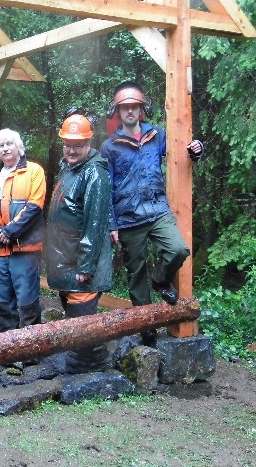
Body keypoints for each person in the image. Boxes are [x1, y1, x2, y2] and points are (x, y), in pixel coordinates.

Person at [100, 82, 203, 346]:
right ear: (118, 112)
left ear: (142, 109)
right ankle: (146, 329)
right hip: (127, 216)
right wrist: (111, 223)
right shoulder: (109, 147)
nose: (130, 111)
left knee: (178, 250)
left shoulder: (157, 135)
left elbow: (181, 152)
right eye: (125, 107)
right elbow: (106, 188)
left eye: (134, 106)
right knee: (136, 273)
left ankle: (161, 281)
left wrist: (195, 150)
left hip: (158, 210)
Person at [46, 110, 113, 373]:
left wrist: (86, 266)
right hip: (65, 260)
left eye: (78, 145)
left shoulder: (94, 174)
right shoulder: (69, 169)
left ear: (89, 144)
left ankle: (89, 369)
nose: (72, 150)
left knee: (82, 321)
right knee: (74, 320)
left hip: (80, 264)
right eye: (68, 145)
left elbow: (94, 225)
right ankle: (82, 365)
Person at [0, 128, 46, 333]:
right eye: (1, 145)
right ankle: (8, 347)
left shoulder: (34, 171)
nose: (6, 148)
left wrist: (10, 231)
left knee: (27, 300)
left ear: (19, 147)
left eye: (9, 144)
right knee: (1, 301)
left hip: (24, 248)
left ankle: (31, 348)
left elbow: (35, 206)